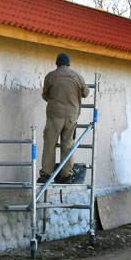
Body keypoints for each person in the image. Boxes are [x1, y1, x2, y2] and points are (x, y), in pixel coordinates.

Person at [38, 52, 90, 184]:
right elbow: (85, 93)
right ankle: (66, 175)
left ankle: (46, 175)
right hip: (71, 116)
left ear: (57, 63)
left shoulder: (50, 76)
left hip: (55, 115)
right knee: (67, 146)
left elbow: (45, 95)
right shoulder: (77, 76)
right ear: (68, 63)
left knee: (50, 145)